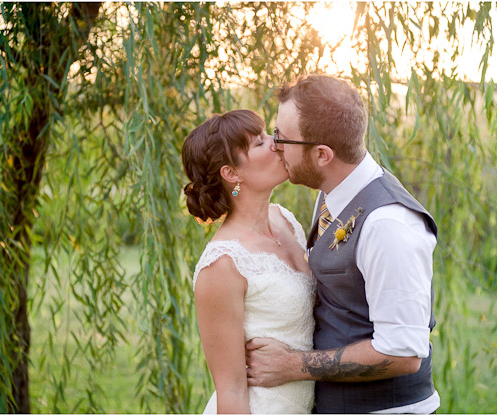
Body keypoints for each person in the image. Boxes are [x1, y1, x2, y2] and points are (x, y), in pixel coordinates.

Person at [245, 74, 439, 414]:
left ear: (322, 154)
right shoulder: (332, 190)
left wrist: (291, 365)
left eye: (283, 139)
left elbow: (403, 354)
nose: (275, 146)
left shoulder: (388, 227)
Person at [182, 109, 316, 413]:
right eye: (259, 143)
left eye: (269, 133)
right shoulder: (222, 263)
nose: (276, 142)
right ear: (232, 173)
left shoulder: (286, 221)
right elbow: (230, 390)